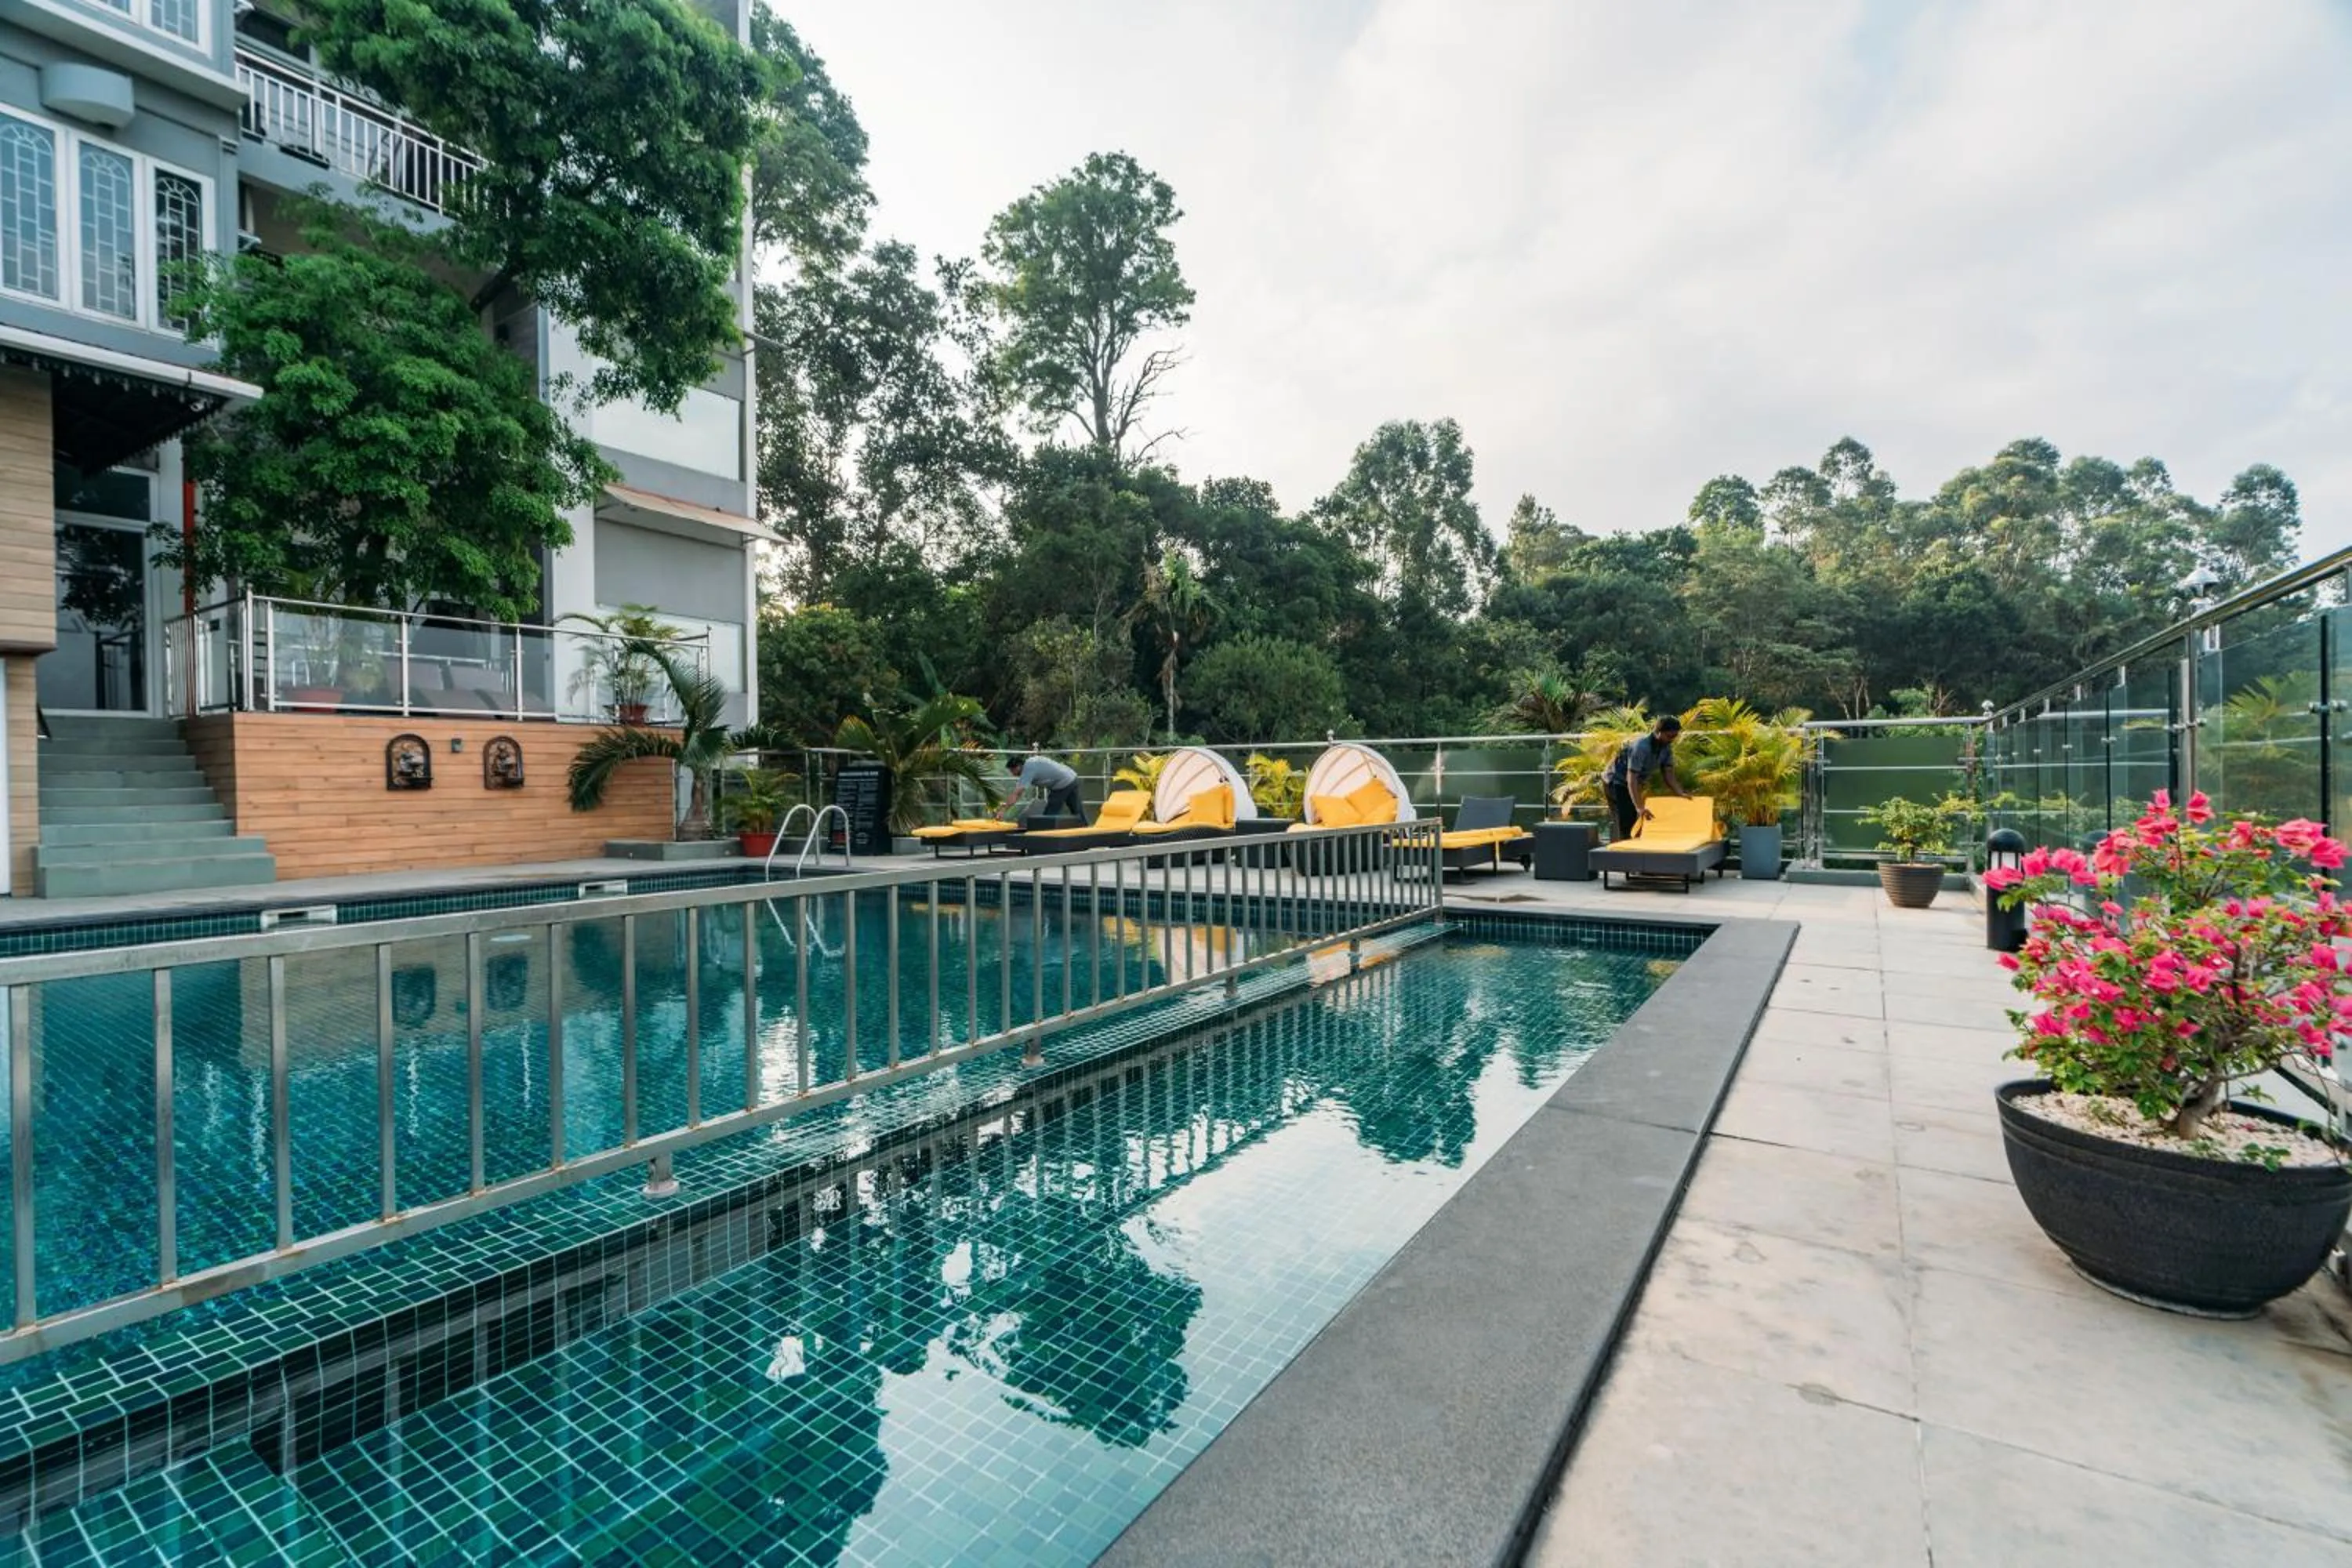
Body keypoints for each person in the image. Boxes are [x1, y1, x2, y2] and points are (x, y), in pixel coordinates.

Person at [1602, 715, 1689, 841]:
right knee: (1627, 818)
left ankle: (1632, 847)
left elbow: (1668, 774)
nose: (1672, 740)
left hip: (1634, 782)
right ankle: (1625, 853)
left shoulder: (1666, 748)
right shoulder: (1641, 747)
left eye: (1675, 737)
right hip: (1615, 780)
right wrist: (1639, 807)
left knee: (1635, 818)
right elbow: (1631, 779)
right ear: (1659, 732)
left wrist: (1681, 793)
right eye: (1670, 736)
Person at [1003, 750, 1083, 822]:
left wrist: (1003, 810)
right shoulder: (1031, 763)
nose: (1012, 774)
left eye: (1012, 770)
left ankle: (1046, 835)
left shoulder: (1028, 769)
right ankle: (1086, 831)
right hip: (1072, 778)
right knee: (1077, 811)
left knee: (1050, 814)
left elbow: (1016, 794)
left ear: (1018, 766)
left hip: (1062, 783)